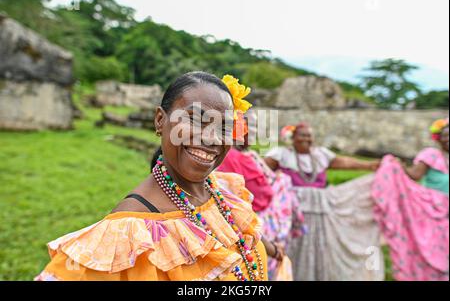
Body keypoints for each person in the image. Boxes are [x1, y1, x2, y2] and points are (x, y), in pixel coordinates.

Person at [35, 72, 269, 281]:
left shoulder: (226, 192)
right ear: (160, 120)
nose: (212, 138)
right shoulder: (129, 237)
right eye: (196, 119)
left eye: (224, 127)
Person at [264, 122, 384, 281]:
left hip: (320, 208)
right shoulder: (281, 155)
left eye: (309, 135)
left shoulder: (320, 155)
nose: (307, 138)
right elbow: (260, 169)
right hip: (291, 211)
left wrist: (370, 165)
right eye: (302, 135)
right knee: (294, 246)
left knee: (318, 245)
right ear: (292, 138)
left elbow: (344, 162)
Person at [217, 111, 306, 280]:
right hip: (250, 230)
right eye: (250, 126)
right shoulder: (237, 157)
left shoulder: (233, 154)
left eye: (256, 127)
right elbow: (260, 197)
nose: (254, 132)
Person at [372, 118, 449, 281]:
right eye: (445, 136)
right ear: (438, 138)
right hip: (431, 208)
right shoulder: (431, 155)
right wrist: (398, 167)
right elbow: (415, 175)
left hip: (446, 210)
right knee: (431, 247)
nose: (448, 139)